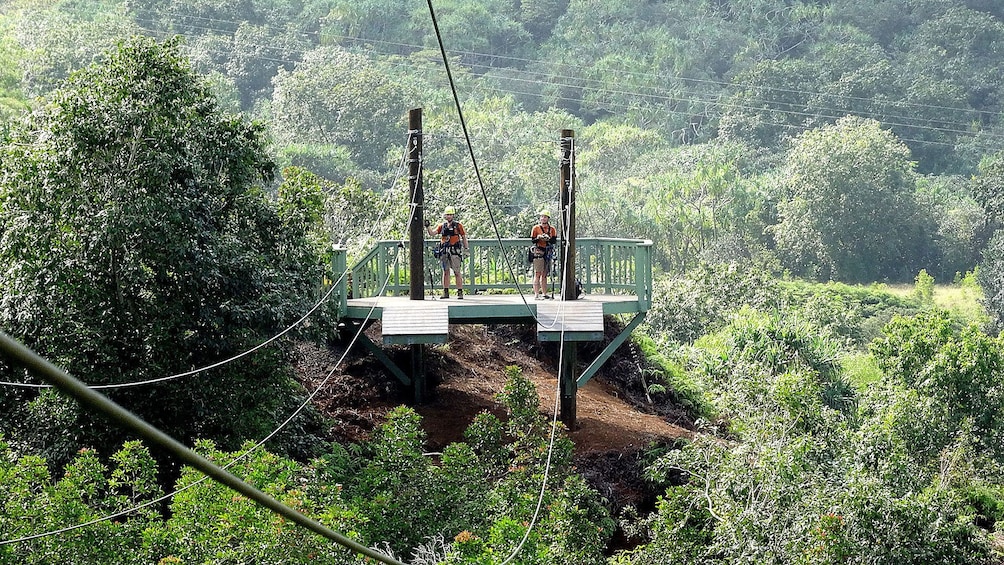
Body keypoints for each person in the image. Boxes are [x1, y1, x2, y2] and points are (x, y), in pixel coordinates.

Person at [425, 206, 469, 299]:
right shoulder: (442, 226)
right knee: (446, 272)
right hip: (445, 252)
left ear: (453, 215)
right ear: (445, 216)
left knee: (457, 271)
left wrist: (466, 248)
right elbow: (432, 233)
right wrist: (428, 226)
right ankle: (445, 292)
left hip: (454, 252)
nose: (449, 216)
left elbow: (464, 237)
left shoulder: (458, 226)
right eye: (447, 215)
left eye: (450, 215)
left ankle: (460, 292)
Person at [530, 209, 557, 299]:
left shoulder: (552, 229)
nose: (543, 218)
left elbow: (554, 240)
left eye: (545, 217)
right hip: (539, 252)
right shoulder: (536, 228)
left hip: (548, 252)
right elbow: (533, 240)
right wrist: (539, 238)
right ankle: (536, 294)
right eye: (542, 217)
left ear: (548, 218)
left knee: (545, 274)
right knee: (538, 273)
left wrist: (548, 238)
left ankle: (544, 293)